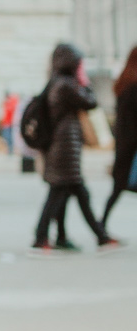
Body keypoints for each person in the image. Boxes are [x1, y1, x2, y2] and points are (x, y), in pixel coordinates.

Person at [32, 43, 112, 249]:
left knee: (68, 192)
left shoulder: (56, 82)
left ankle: (68, 236)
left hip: (64, 146)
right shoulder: (66, 85)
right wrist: (84, 82)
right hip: (65, 147)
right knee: (62, 193)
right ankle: (42, 237)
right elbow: (91, 102)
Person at [102, 46, 137, 236]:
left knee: (117, 189)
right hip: (132, 146)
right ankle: (101, 226)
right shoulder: (134, 87)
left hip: (123, 145)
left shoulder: (123, 84)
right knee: (118, 189)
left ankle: (101, 224)